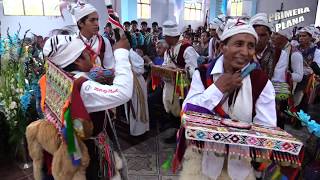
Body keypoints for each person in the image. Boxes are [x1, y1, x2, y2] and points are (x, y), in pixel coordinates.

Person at [179, 18, 276, 180]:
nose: (245, 52)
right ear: (222, 47)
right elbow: (187, 115)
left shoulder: (261, 82)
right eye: (238, 44)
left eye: (250, 46)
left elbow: (266, 130)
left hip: (240, 168)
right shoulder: (203, 75)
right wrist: (218, 89)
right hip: (202, 164)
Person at [40, 28, 133, 180]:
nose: (92, 57)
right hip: (91, 153)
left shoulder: (60, 78)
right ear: (78, 60)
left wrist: (107, 74)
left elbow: (95, 75)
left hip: (75, 146)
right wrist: (121, 54)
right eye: (87, 53)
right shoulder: (82, 87)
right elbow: (123, 93)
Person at [162, 20, 199, 143]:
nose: (165, 40)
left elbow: (194, 71)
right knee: (171, 108)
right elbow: (164, 64)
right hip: (169, 85)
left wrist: (178, 71)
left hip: (182, 86)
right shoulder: (168, 50)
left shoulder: (186, 49)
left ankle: (180, 135)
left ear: (171, 36)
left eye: (166, 37)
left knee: (181, 110)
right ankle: (174, 130)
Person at [72, 3, 115, 69]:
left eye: (97, 19)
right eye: (92, 20)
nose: (97, 24)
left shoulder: (104, 42)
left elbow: (111, 69)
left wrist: (92, 69)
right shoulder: (71, 42)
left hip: (100, 79)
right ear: (80, 23)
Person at [295, 26, 320, 111]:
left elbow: (317, 68)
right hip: (294, 79)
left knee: (302, 102)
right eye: (300, 36)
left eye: (304, 36)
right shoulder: (295, 48)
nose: (301, 38)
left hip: (307, 82)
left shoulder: (316, 51)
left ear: (310, 37)